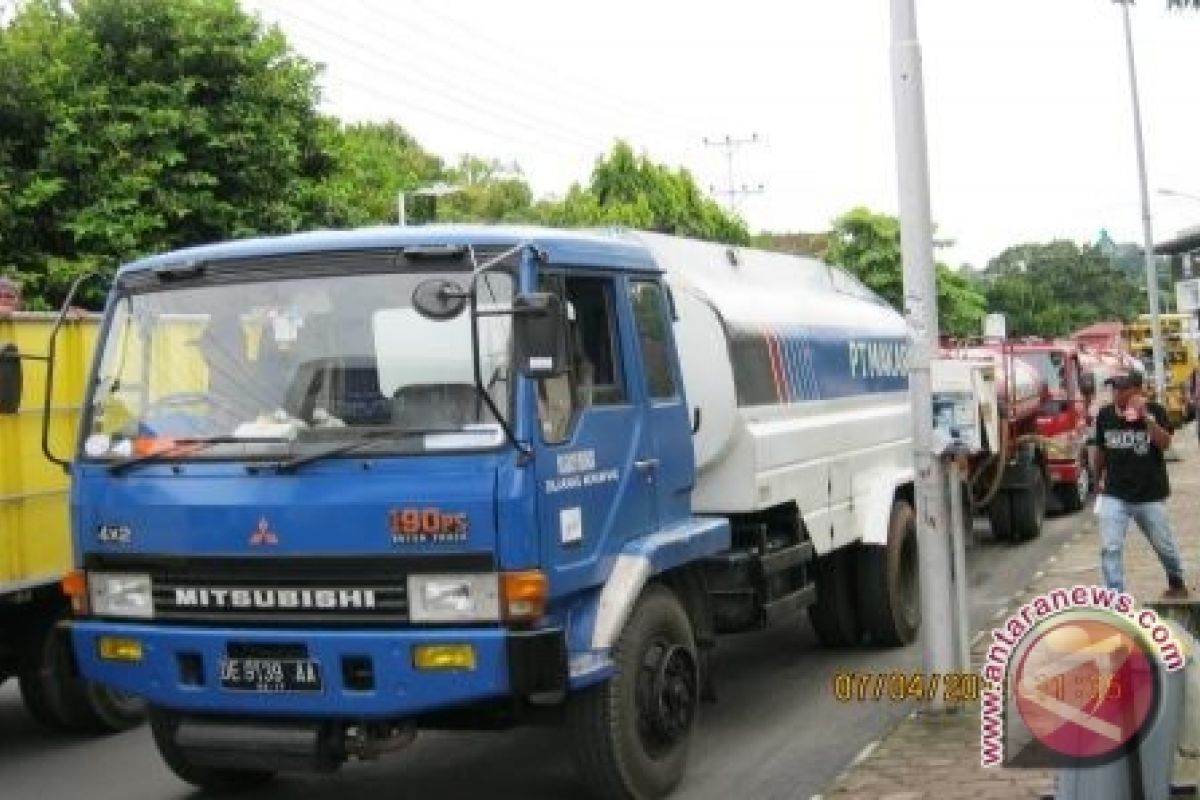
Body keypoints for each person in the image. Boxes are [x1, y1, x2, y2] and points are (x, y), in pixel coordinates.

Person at [1093, 369, 1189, 598]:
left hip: (1149, 494)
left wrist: (1145, 416)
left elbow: (1165, 443)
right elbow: (1101, 449)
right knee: (1110, 547)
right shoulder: (1105, 415)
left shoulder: (1156, 411)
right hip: (1115, 493)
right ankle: (1116, 597)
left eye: (1122, 388)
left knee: (1164, 546)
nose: (1117, 393)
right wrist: (1097, 479)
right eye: (1114, 388)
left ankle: (1176, 581)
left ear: (1138, 390)